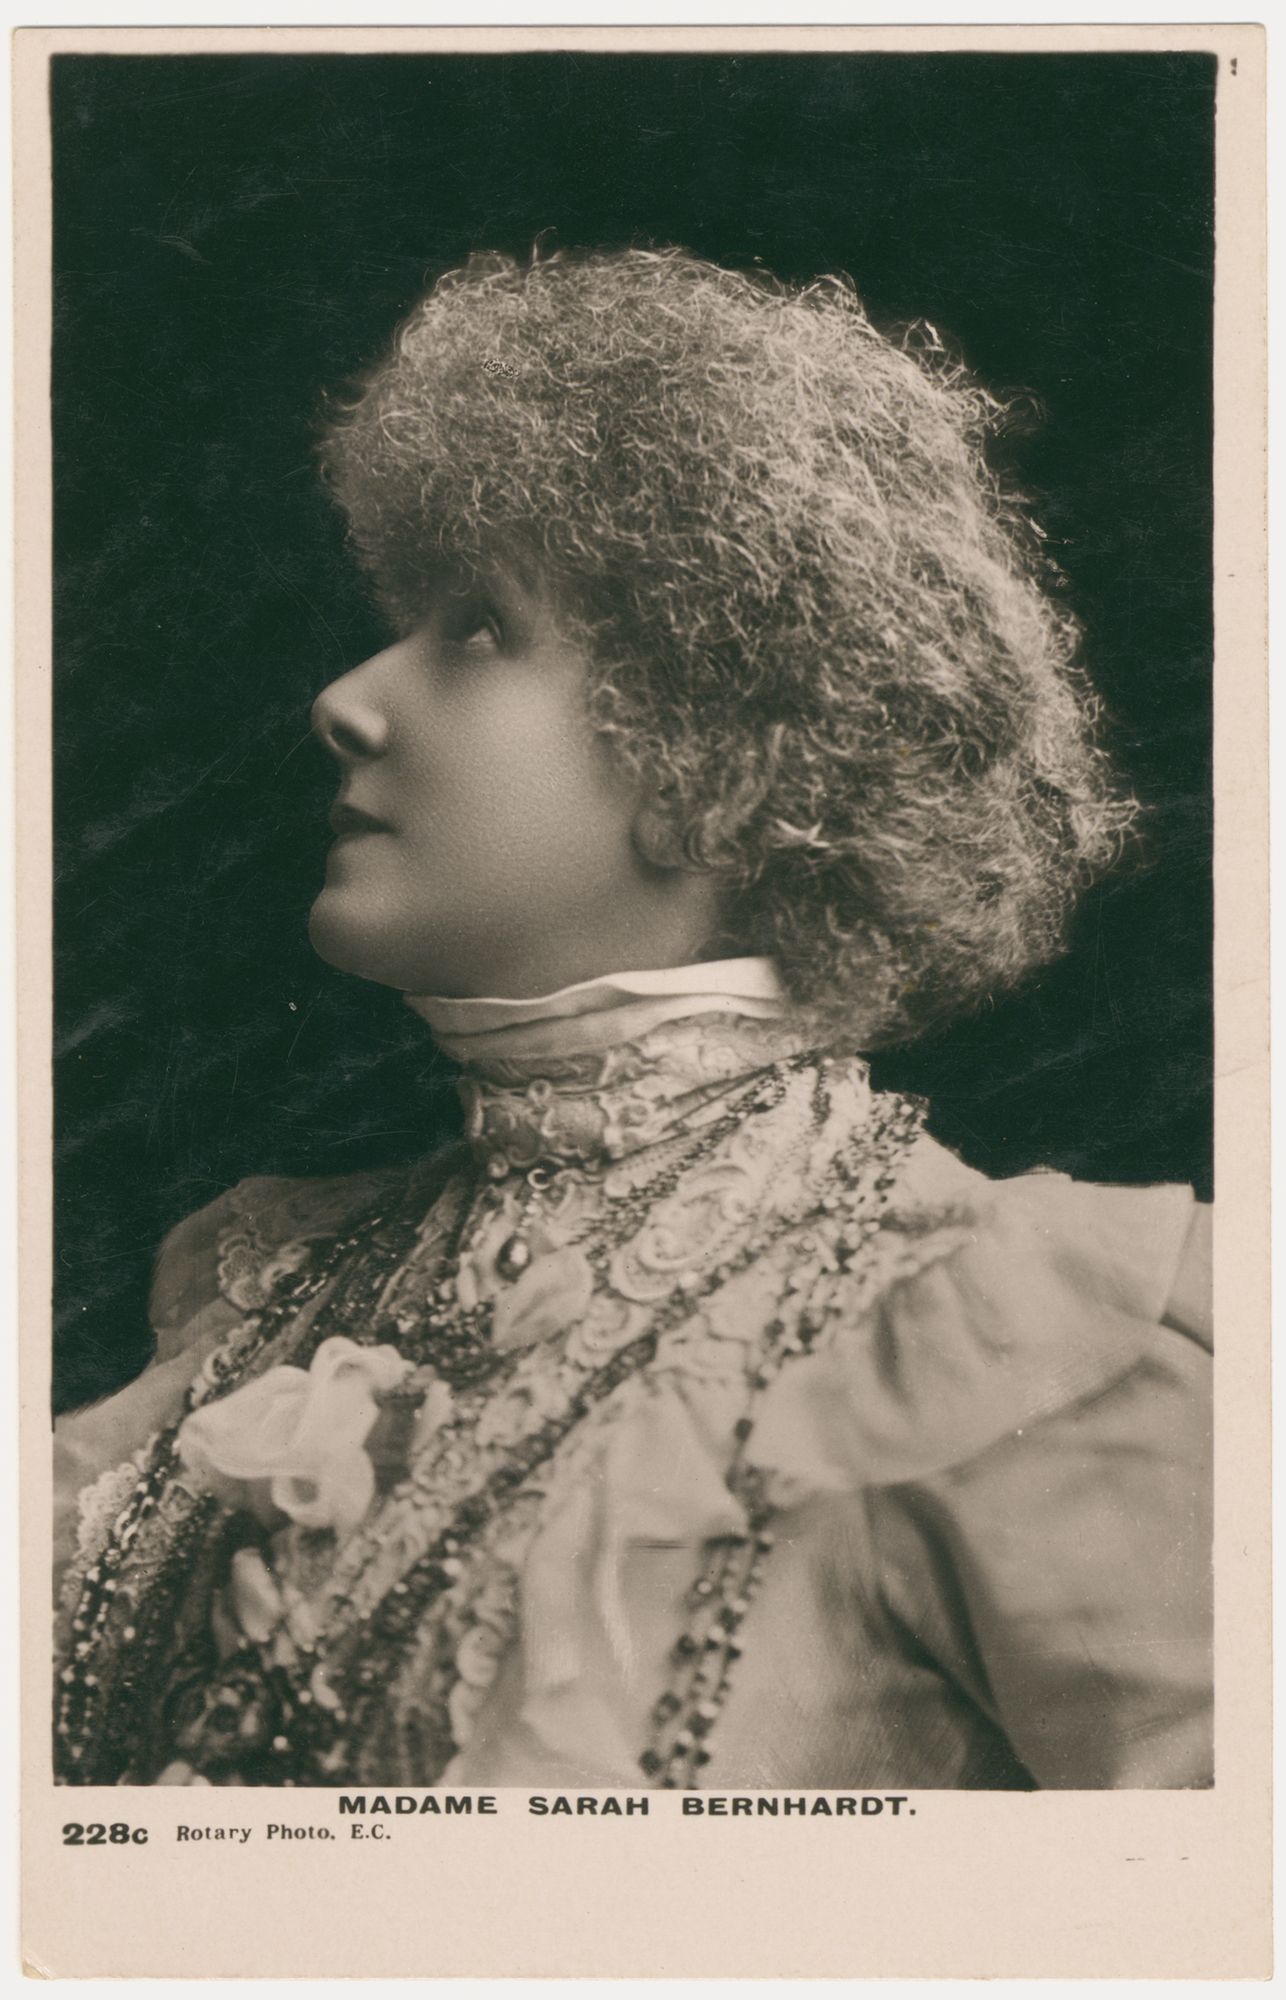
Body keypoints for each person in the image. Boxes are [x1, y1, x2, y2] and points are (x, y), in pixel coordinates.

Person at [53, 247, 1211, 1791]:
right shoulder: (263, 1283)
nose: (347, 696)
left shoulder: (1008, 1337)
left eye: (476, 628)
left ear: (723, 746)